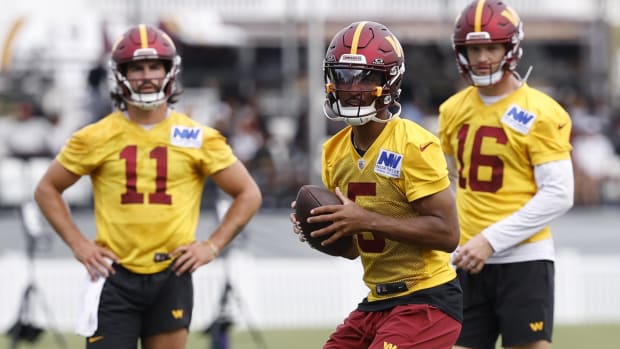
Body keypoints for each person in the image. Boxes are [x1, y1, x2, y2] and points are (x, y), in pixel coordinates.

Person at [34, 24, 262, 349]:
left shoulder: (197, 136)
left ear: (169, 71)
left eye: (154, 66)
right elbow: (47, 189)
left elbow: (249, 193)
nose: (146, 76)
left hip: (171, 274)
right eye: (136, 67)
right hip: (114, 276)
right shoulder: (95, 136)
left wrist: (210, 246)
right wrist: (78, 244)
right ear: (121, 74)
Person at [290, 21, 462, 348]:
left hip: (426, 299)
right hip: (377, 300)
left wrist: (365, 219)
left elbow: (448, 235)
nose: (352, 88)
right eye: (343, 76)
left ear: (390, 81)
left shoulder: (414, 144)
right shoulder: (332, 153)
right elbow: (355, 250)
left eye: (365, 78)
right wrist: (325, 227)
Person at [437, 1, 574, 348]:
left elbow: (559, 193)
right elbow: (447, 181)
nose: (483, 56)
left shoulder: (541, 111)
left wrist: (491, 239)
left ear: (510, 47)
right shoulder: (452, 109)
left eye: (492, 46)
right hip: (468, 258)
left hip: (523, 258)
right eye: (474, 48)